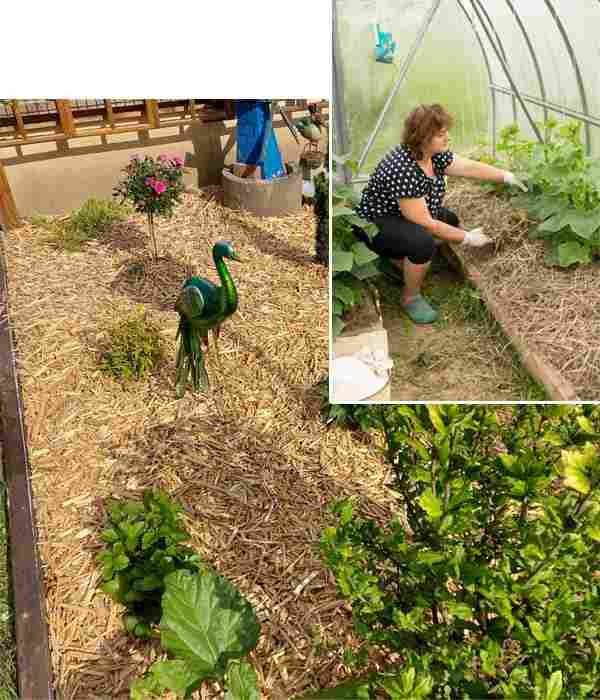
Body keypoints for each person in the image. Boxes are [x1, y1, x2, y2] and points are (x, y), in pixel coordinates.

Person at [354, 103, 527, 324]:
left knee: (450, 221)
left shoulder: (433, 155)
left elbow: (468, 168)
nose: (447, 138)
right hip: (377, 224)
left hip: (404, 216)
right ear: (422, 138)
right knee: (423, 242)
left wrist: (505, 176)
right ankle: (410, 297)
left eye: (446, 132)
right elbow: (426, 224)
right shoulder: (402, 167)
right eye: (440, 134)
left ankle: (403, 263)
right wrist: (468, 238)